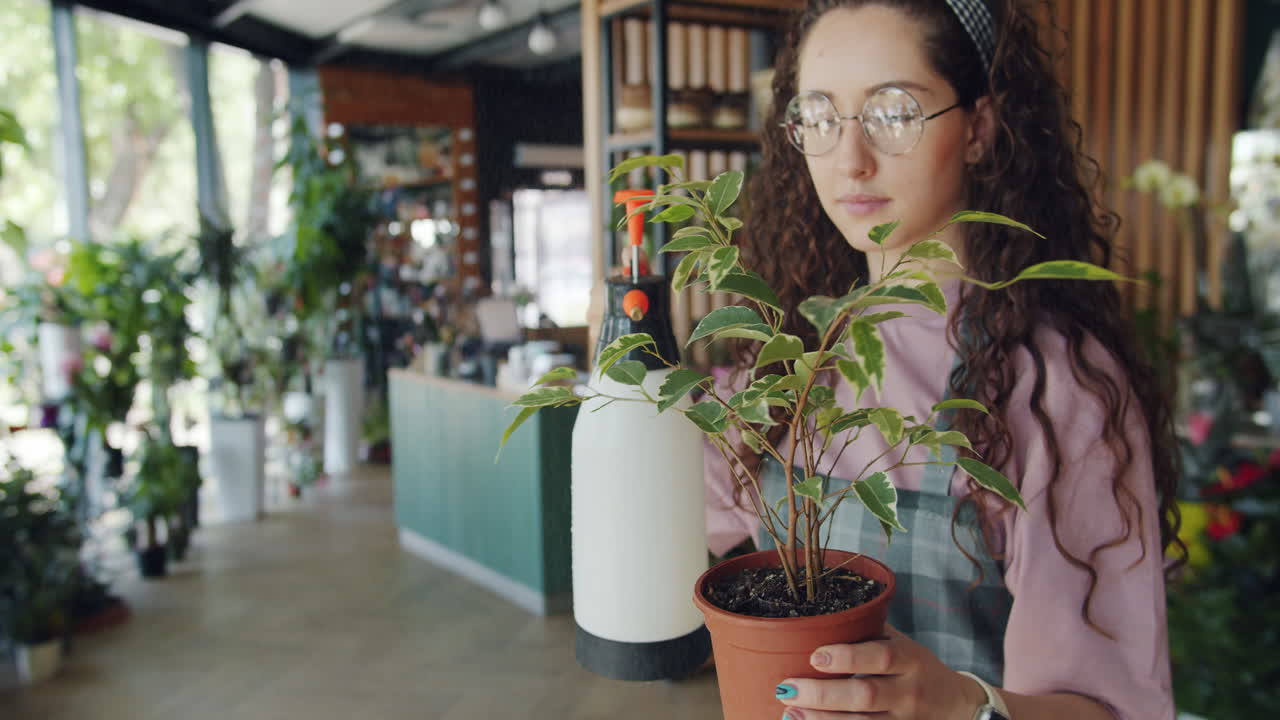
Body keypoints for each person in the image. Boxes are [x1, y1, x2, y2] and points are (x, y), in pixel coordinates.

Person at [701, 1, 1183, 718]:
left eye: (894, 112)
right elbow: (687, 554)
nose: (851, 158)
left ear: (981, 128)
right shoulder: (782, 358)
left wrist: (961, 704)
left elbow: (1112, 710)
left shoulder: (1051, 390)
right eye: (822, 117)